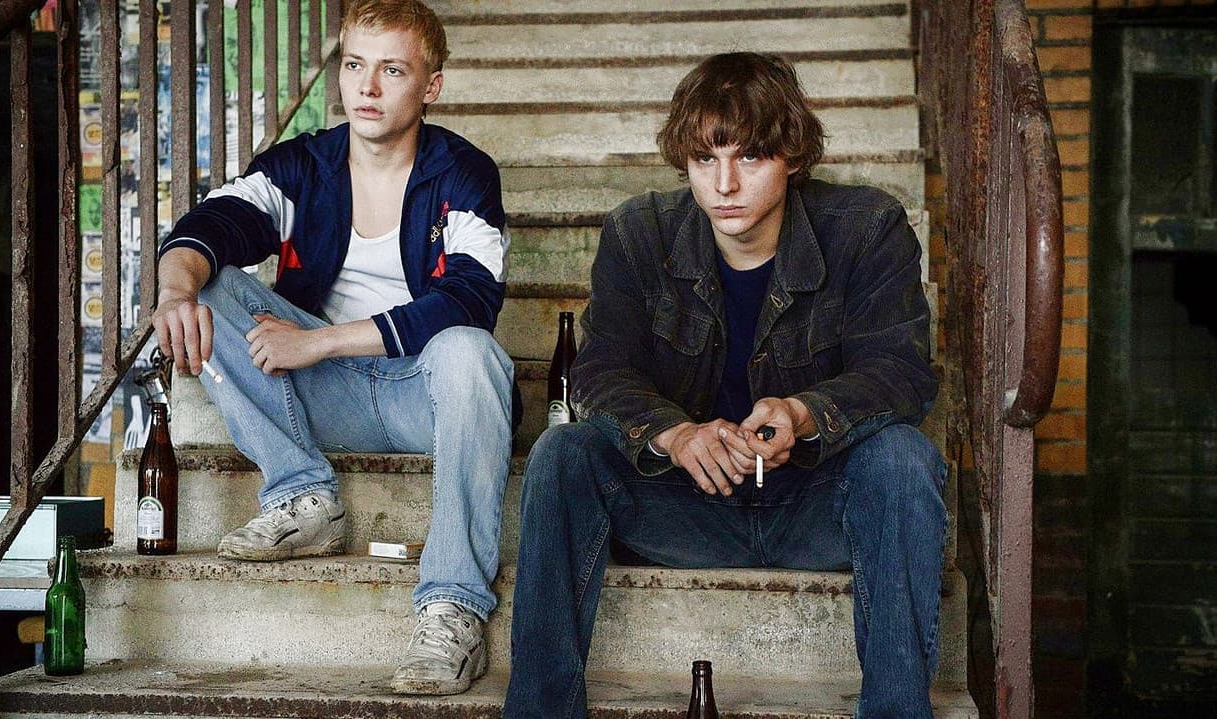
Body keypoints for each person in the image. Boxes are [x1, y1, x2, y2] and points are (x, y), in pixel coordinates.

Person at [502, 52, 947, 719]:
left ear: (792, 157)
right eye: (705, 159)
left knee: (904, 458)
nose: (725, 184)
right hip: (683, 505)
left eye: (750, 156)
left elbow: (903, 372)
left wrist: (803, 412)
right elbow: (599, 371)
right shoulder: (639, 233)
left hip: (816, 505)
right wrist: (673, 433)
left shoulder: (866, 229)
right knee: (562, 454)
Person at [150, 0, 511, 697]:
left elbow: (469, 298)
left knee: (471, 351)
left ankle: (452, 608)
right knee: (209, 283)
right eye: (354, 65)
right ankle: (304, 497)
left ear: (430, 86)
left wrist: (319, 342)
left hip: (425, 396)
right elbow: (214, 222)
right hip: (326, 396)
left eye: (392, 70)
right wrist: (173, 291)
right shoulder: (303, 165)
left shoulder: (464, 174)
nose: (367, 87)